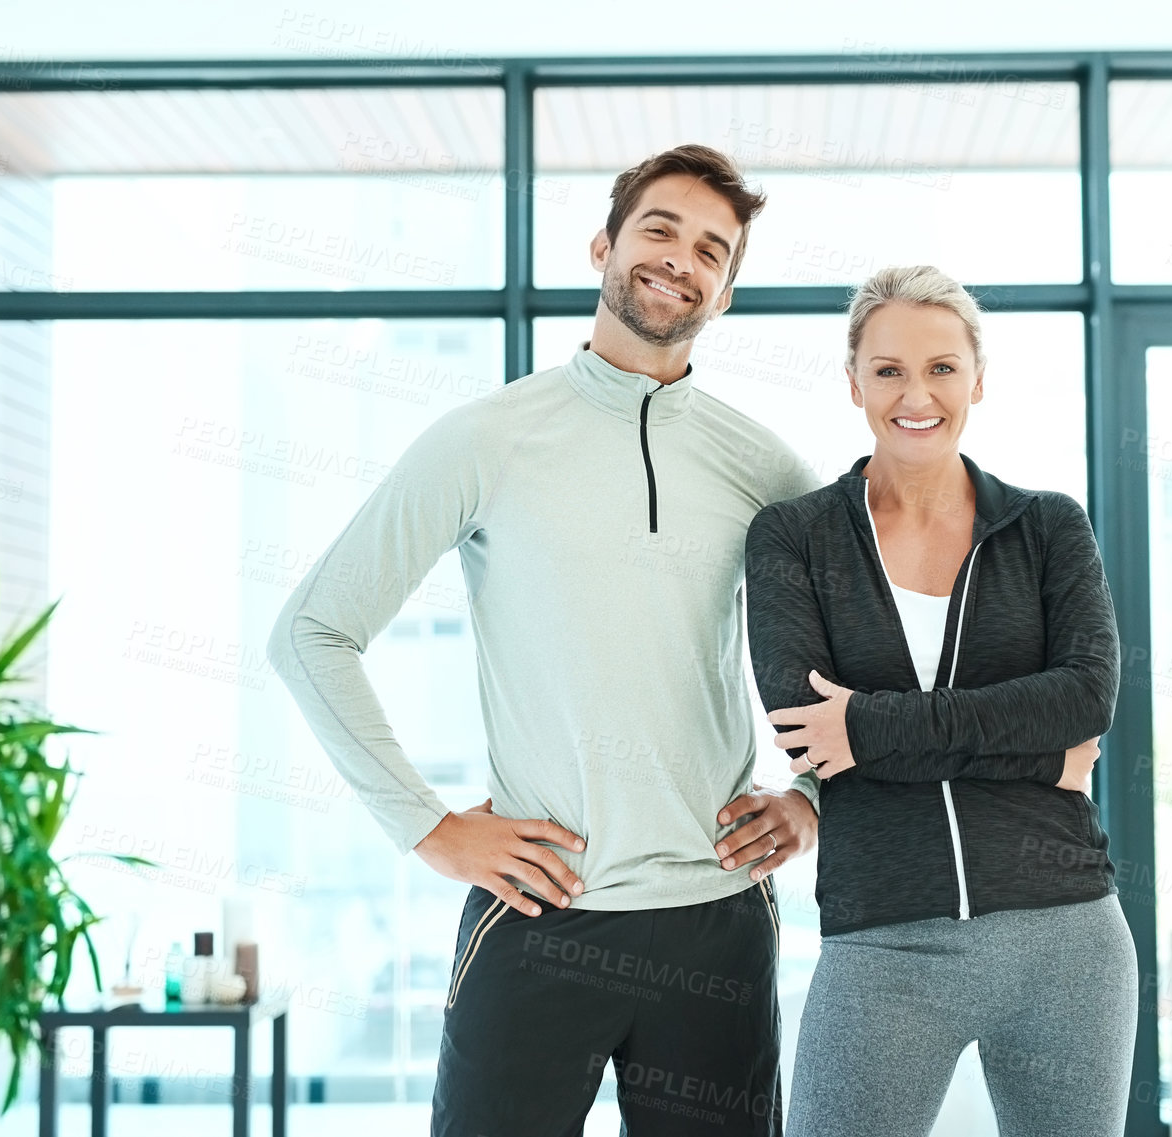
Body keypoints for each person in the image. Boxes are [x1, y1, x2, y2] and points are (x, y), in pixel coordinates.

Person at [266, 144, 823, 1137]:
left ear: (726, 293)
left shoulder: (763, 464)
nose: (678, 260)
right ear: (604, 245)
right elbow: (313, 632)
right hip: (534, 918)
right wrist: (430, 829)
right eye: (659, 229)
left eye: (711, 250)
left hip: (717, 927)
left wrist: (814, 796)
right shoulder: (487, 438)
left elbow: (865, 654)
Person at [743, 265, 1137, 1136]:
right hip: (884, 944)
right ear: (853, 383)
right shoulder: (795, 536)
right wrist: (1040, 756)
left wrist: (871, 727)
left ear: (978, 380)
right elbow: (807, 731)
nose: (916, 393)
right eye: (888, 370)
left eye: (942, 368)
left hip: (1067, 935)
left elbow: (1086, 696)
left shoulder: (1047, 526)